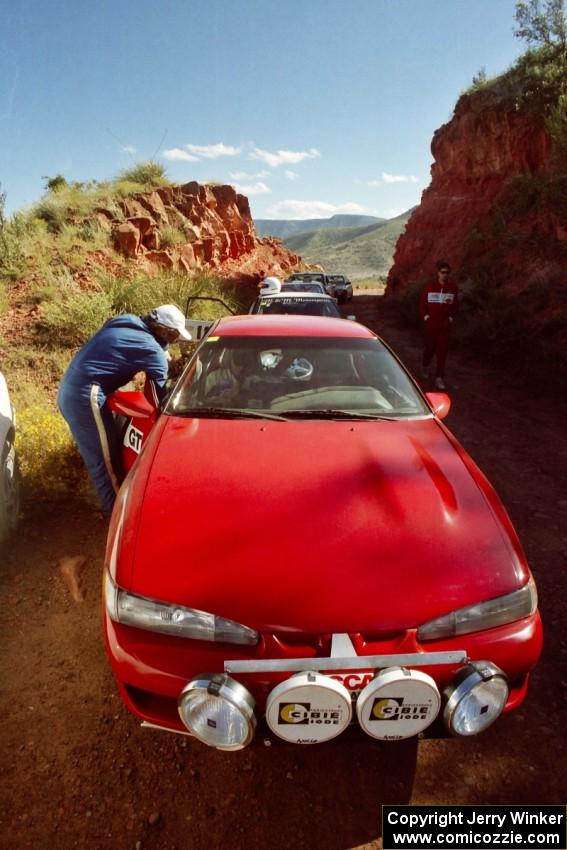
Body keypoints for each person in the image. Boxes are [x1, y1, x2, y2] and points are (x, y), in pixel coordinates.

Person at [57, 305, 191, 515]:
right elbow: (159, 403)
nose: (173, 341)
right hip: (86, 397)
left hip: (72, 388)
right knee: (106, 465)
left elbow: (143, 347)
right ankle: (119, 519)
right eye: (173, 335)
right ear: (163, 331)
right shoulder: (151, 350)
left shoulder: (126, 320)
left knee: (105, 454)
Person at [419, 260, 458, 390]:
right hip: (431, 325)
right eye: (442, 272)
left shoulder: (452, 288)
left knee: (442, 352)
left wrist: (451, 318)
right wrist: (426, 317)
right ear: (438, 273)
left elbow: (455, 306)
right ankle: (425, 366)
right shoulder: (429, 287)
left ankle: (439, 378)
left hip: (444, 326)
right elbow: (422, 305)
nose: (445, 275)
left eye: (447, 273)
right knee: (430, 349)